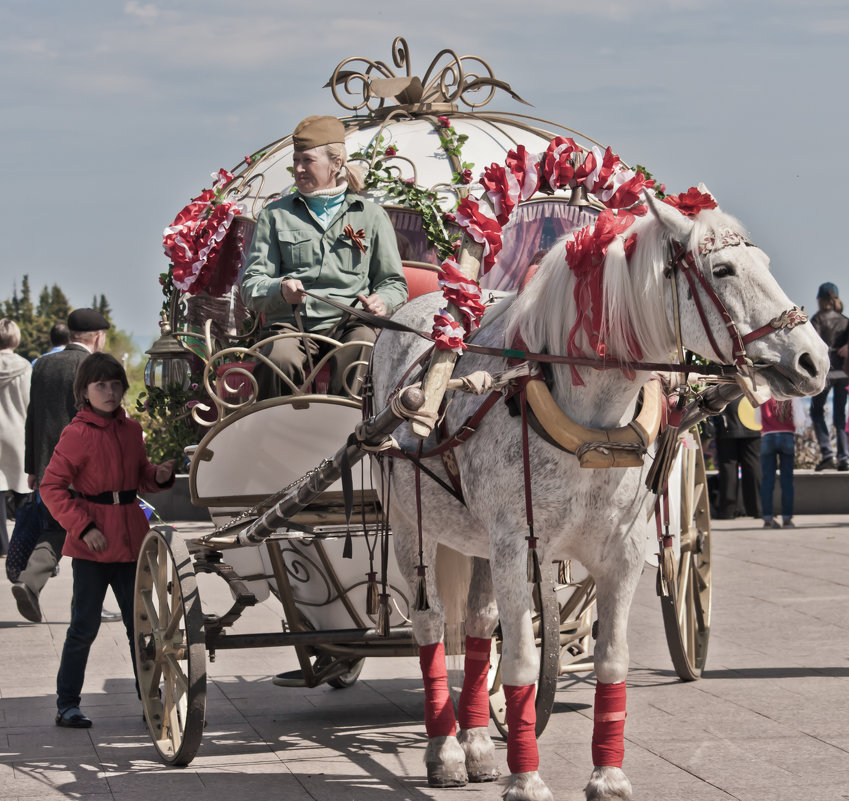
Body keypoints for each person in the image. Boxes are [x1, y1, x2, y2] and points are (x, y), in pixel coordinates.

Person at [39, 353, 176, 728]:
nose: (110, 391)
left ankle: (152, 702)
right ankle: (67, 703)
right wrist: (83, 528)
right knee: (84, 626)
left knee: (142, 627)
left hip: (132, 541)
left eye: (116, 384)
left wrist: (159, 476)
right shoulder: (76, 433)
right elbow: (50, 487)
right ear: (84, 391)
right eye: (101, 385)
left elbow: (139, 477)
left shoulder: (131, 429)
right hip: (92, 546)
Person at [240, 114, 407, 399]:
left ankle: (351, 437)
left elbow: (394, 283)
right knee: (279, 359)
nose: (299, 169)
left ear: (336, 163)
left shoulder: (371, 215)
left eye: (307, 160)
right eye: (295, 161)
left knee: (364, 348)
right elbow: (251, 286)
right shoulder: (275, 215)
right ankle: (275, 434)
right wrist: (280, 290)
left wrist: (383, 301)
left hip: (350, 323)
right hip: (291, 326)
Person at [11, 308, 110, 623]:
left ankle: (30, 581)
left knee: (56, 528)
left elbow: (33, 419)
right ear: (97, 336)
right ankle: (86, 607)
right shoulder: (95, 366)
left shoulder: (42, 364)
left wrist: (32, 467)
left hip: (49, 467)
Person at [809, 282, 848, 471]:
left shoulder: (817, 319)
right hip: (844, 373)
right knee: (840, 416)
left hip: (825, 374)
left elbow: (812, 345)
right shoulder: (844, 320)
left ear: (820, 299)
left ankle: (827, 453)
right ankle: (844, 457)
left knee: (816, 412)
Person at [0, 319, 32, 555]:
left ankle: (2, 545)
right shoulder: (24, 367)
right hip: (18, 430)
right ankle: (23, 542)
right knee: (23, 489)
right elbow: (31, 403)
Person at [710, 397, 762, 519]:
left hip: (727, 421)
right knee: (753, 465)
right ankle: (757, 508)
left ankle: (727, 510)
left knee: (728, 466)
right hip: (751, 417)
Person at [757, 397, 804, 528]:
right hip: (787, 435)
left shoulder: (763, 394)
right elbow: (800, 419)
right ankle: (787, 519)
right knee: (787, 481)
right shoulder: (790, 394)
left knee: (767, 480)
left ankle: (767, 519)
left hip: (768, 436)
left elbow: (757, 418)